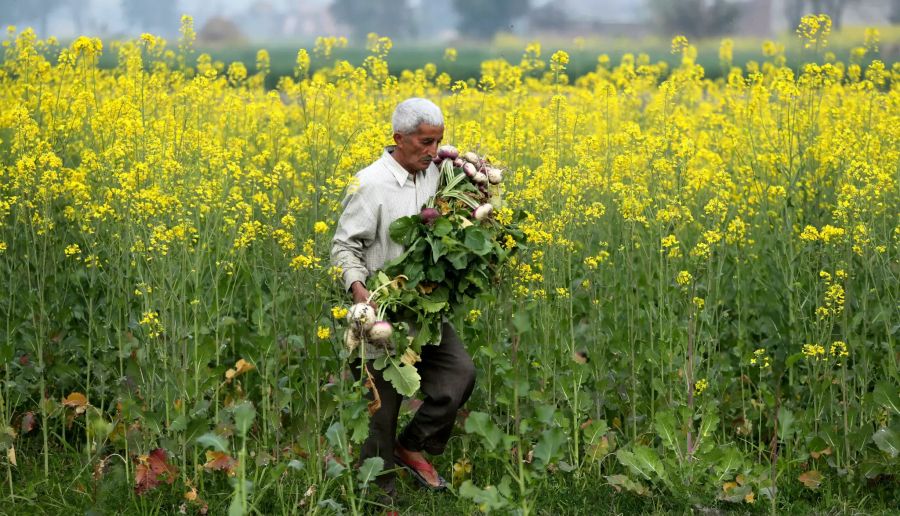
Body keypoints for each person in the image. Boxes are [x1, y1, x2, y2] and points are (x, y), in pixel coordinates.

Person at [330, 98, 476, 497]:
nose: (433, 152)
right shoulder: (370, 184)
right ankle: (380, 499)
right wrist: (360, 292)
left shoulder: (435, 173)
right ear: (399, 138)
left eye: (438, 142)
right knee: (381, 414)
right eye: (425, 142)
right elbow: (344, 247)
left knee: (459, 375)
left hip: (424, 312)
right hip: (384, 318)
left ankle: (412, 447)